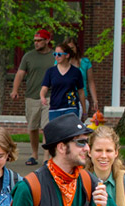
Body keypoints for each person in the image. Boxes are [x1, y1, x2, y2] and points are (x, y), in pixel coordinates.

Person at [10, 29, 56, 166]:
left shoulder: (55, 56)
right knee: (32, 127)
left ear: (47, 41)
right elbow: (20, 73)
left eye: (39, 40)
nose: (36, 43)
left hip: (50, 96)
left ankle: (46, 156)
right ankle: (34, 154)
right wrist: (15, 90)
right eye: (35, 41)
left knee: (47, 126)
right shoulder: (28, 56)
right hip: (32, 95)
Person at [40, 43, 84, 122]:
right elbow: (44, 87)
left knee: (70, 130)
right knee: (57, 132)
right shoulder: (51, 71)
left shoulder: (75, 72)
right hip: (55, 106)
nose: (56, 56)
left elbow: (81, 91)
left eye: (59, 54)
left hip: (71, 105)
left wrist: (84, 110)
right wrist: (42, 97)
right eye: (55, 54)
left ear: (67, 55)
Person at [64, 41, 99, 117]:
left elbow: (90, 82)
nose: (70, 50)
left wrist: (95, 100)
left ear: (76, 48)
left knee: (77, 123)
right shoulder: (61, 62)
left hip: (81, 98)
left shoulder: (85, 62)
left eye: (72, 48)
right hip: (65, 98)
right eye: (67, 49)